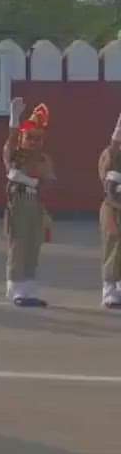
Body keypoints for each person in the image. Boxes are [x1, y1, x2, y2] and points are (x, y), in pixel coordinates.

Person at [3, 98, 55, 307]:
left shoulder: (43, 160)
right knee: (19, 245)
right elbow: (11, 143)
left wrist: (31, 180)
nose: (33, 142)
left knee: (34, 245)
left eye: (38, 139)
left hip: (36, 204)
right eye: (30, 138)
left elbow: (48, 182)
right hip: (19, 203)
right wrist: (14, 119)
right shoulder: (16, 155)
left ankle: (29, 288)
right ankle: (16, 288)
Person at [98, 114, 121, 309]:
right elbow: (108, 181)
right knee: (114, 249)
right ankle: (110, 289)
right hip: (114, 208)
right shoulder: (112, 155)